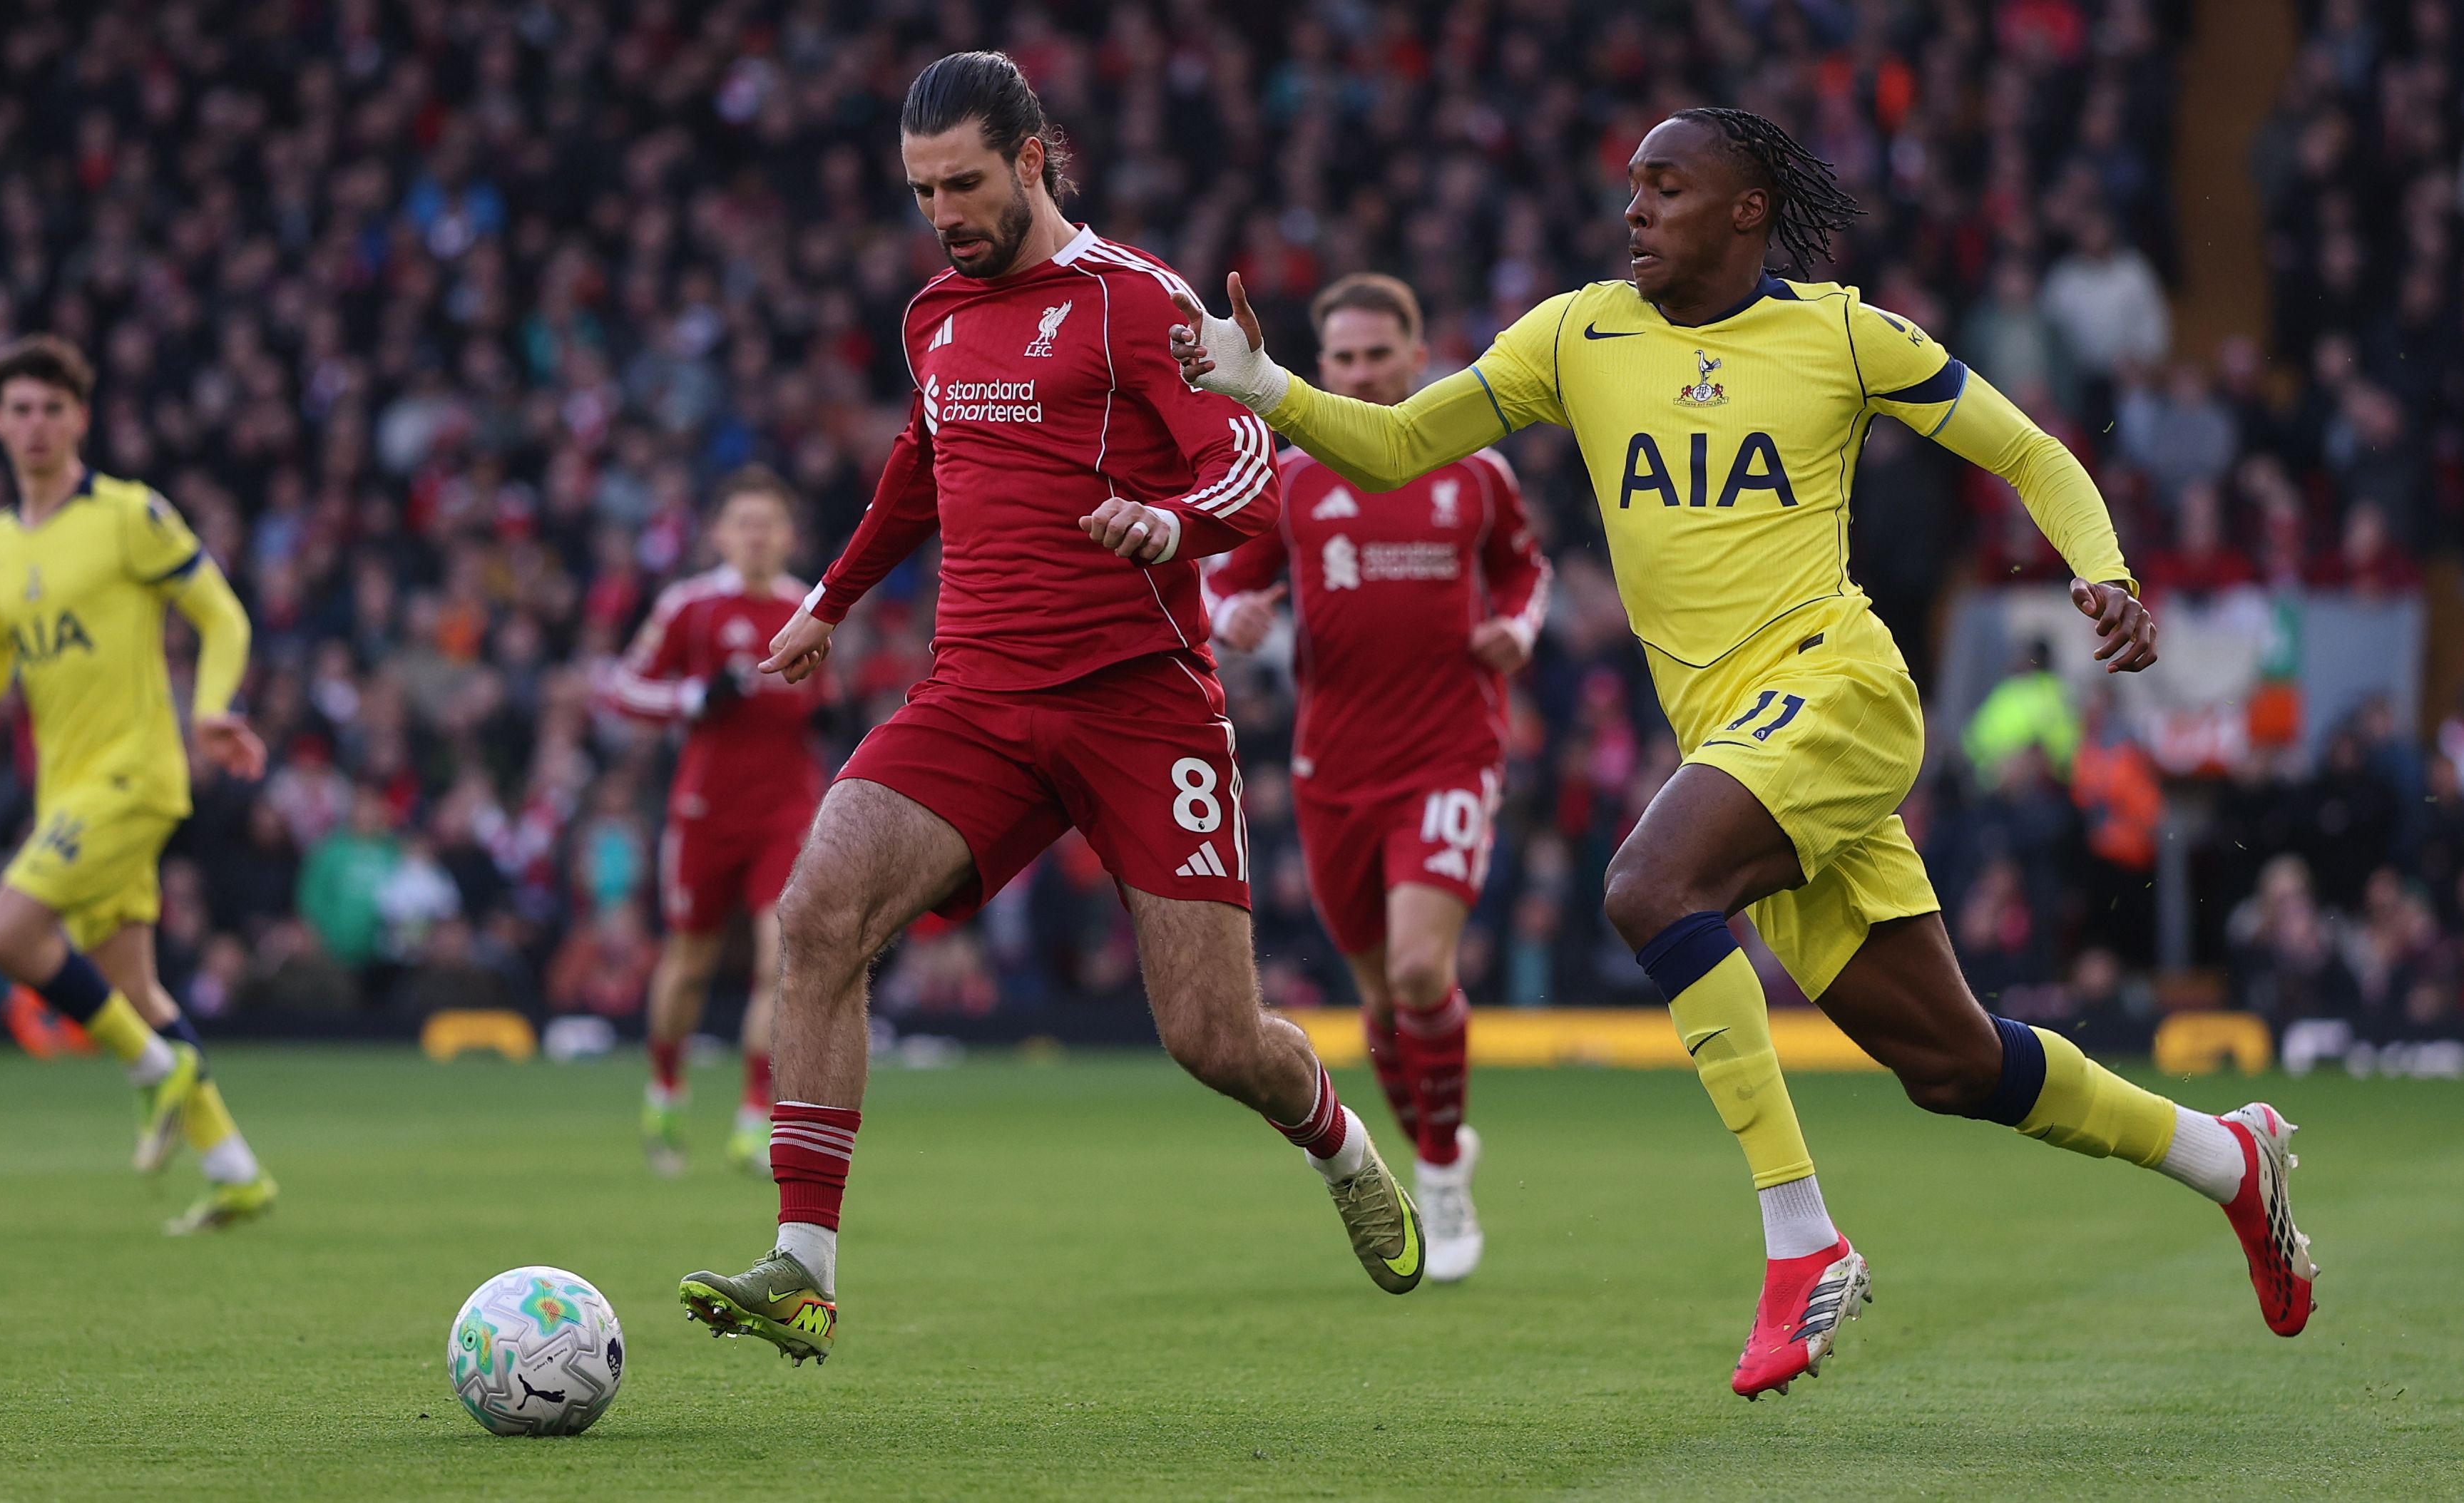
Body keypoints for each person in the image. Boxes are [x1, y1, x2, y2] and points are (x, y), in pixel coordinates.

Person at [1173, 107, 2316, 1399]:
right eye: (1630, 190)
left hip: (1836, 691)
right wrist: (1265, 387)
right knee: (1952, 1062)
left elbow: (2029, 451)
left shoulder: (1843, 332)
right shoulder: (1573, 332)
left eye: (1666, 189)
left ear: (1744, 209)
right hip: (1737, 738)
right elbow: (1390, 449)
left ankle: (1799, 1237)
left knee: (1647, 886)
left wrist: (2099, 570)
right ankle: (2228, 1157)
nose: (1635, 212)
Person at [675, 51, 1424, 1367]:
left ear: (1033, 158)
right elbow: (919, 466)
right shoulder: (935, 319)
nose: (943, 215)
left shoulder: (1137, 302)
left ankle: (1337, 1141)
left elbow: (1249, 468)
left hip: (1143, 707)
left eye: (963, 183)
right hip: (975, 696)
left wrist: (1167, 520)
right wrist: (832, 601)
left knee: (1210, 1038)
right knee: (817, 912)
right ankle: (803, 1263)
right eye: (920, 192)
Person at [0, 334, 277, 1235]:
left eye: (53, 407)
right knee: (137, 996)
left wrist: (212, 707)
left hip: (135, 774)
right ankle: (235, 1169)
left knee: (5, 931)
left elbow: (221, 613)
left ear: (81, 418)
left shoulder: (132, 513)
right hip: (67, 792)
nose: (36, 424)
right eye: (19, 408)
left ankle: (153, 1071)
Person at [1205, 272, 1550, 1283]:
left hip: (1448, 749)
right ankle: (1437, 1146)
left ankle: (1439, 1172)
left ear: (1416, 354)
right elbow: (1228, 571)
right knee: (1375, 996)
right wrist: (1234, 614)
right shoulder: (1296, 472)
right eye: (1340, 358)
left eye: (1374, 355)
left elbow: (1523, 569)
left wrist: (1517, 629)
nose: (1357, 373)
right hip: (1331, 764)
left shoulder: (1474, 472)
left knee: (1414, 970)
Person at [605, 466, 822, 1177]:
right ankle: (666, 1087)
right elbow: (624, 685)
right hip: (703, 809)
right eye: (744, 523)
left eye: (769, 524)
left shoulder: (814, 605)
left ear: (788, 535)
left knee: (780, 958)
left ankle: (754, 1118)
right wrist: (696, 697)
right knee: (690, 962)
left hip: (785, 807)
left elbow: (827, 692)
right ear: (721, 533)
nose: (757, 536)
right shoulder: (689, 606)